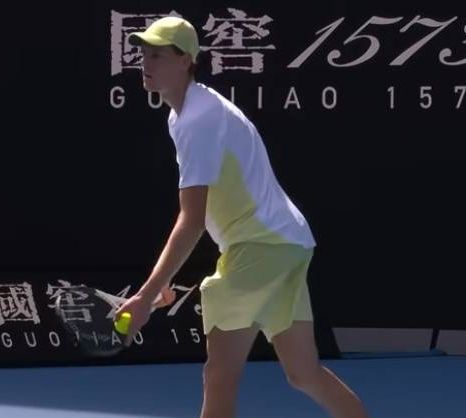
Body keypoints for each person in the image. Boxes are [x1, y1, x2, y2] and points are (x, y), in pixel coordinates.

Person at [115, 16, 369, 418]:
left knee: (219, 375)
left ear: (186, 60)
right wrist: (159, 284)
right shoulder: (188, 113)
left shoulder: (198, 120)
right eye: (144, 54)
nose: (146, 62)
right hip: (288, 243)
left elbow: (192, 220)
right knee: (304, 374)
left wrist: (146, 296)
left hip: (261, 245)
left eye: (158, 55)